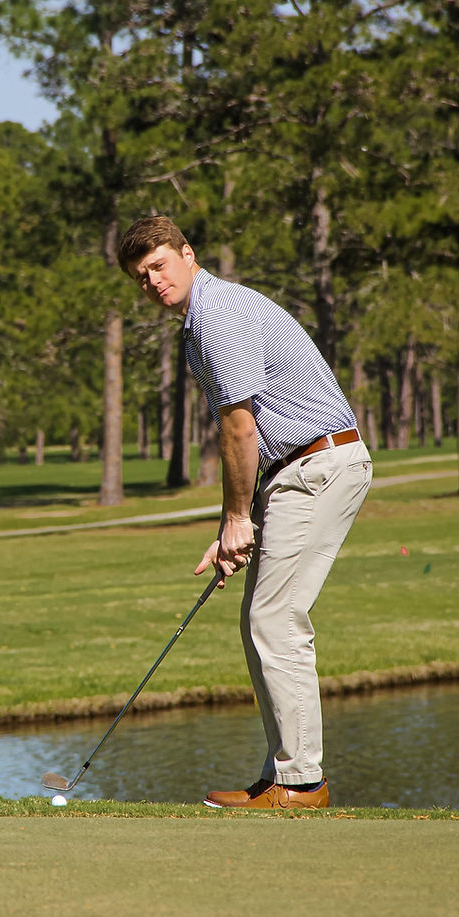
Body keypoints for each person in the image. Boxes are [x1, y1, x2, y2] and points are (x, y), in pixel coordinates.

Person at [117, 216, 372, 810]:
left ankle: (302, 783)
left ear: (187, 254)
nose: (152, 281)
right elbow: (248, 435)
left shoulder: (216, 313)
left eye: (159, 265)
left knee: (275, 619)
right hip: (298, 470)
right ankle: (281, 773)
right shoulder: (204, 316)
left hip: (318, 465)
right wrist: (237, 522)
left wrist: (237, 519)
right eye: (140, 276)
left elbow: (239, 427)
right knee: (260, 620)